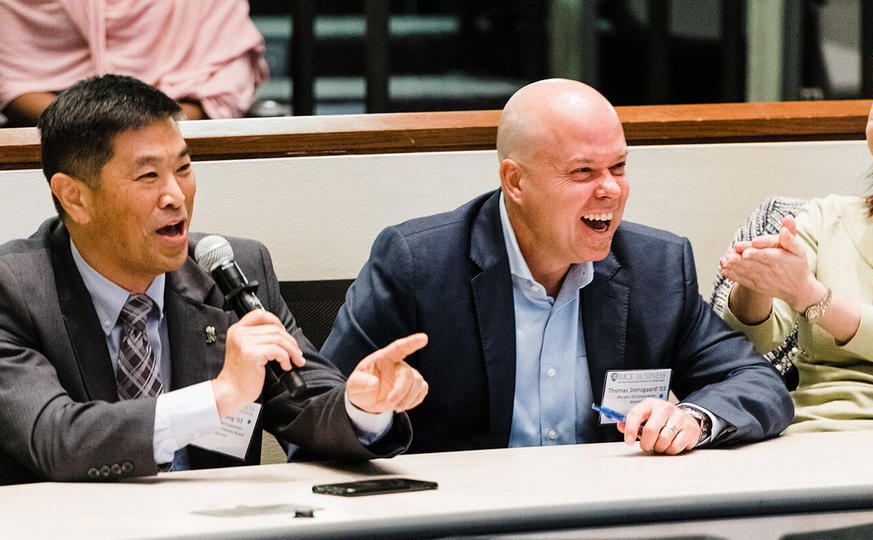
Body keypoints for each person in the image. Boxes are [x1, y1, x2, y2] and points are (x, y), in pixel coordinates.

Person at [319, 78, 793, 456]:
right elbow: (316, 417)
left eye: (619, 167)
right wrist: (366, 411)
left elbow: (757, 384)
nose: (610, 190)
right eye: (583, 172)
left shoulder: (657, 267)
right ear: (516, 181)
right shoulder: (418, 265)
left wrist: (692, 417)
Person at [0, 75, 429, 485]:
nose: (175, 195)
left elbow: (308, 401)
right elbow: (56, 438)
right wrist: (220, 395)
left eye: (183, 167)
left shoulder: (234, 271)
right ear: (74, 196)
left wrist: (363, 406)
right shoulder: (16, 289)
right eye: (148, 176)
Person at [720, 20, 873, 433]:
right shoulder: (826, 218)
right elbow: (755, 344)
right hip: (808, 439)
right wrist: (756, 280)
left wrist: (809, 295)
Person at [0, 0, 268, 126]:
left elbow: (229, 74)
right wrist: (87, 127)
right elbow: (10, 79)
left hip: (184, 131)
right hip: (56, 138)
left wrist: (159, 126)